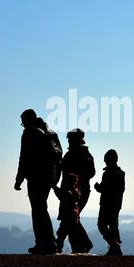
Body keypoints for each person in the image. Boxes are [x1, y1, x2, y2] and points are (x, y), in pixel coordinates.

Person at [14, 109, 61, 254]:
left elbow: (24, 157)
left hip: (36, 177)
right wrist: (55, 178)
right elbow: (59, 157)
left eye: (23, 122)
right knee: (42, 208)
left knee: (37, 210)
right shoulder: (51, 132)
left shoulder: (29, 133)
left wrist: (19, 179)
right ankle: (50, 242)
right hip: (49, 177)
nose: (23, 125)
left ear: (28, 120)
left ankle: (43, 243)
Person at [58, 128, 95, 253]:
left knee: (69, 218)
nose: (69, 142)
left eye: (70, 139)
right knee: (70, 219)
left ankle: (61, 243)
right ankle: (78, 246)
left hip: (76, 192)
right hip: (73, 191)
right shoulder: (83, 155)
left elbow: (90, 173)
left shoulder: (79, 155)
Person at [94, 149, 125, 256]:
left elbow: (103, 188)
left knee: (102, 225)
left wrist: (96, 186)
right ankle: (115, 247)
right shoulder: (121, 173)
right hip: (116, 204)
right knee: (113, 224)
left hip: (106, 203)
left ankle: (114, 245)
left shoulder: (108, 173)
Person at [53, 173, 82, 253]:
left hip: (68, 216)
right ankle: (77, 249)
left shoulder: (70, 191)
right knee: (69, 233)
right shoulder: (75, 191)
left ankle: (59, 248)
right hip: (72, 216)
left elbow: (62, 197)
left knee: (62, 233)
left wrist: (55, 189)